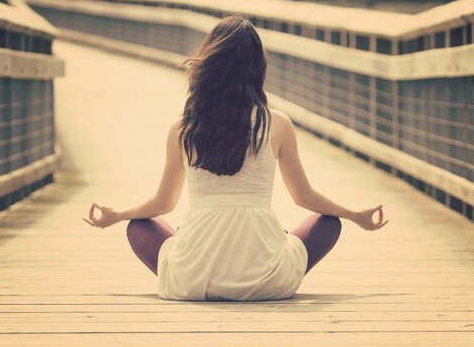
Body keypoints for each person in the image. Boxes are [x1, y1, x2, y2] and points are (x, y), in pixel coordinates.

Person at [83, 16, 388, 301]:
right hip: (268, 281)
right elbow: (304, 197)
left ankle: (197, 259)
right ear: (258, 68)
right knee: (329, 223)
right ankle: (259, 261)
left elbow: (163, 204)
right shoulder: (277, 123)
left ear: (208, 65)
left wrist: (119, 214)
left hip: (194, 280)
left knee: (138, 227)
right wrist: (354, 214)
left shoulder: (183, 127)